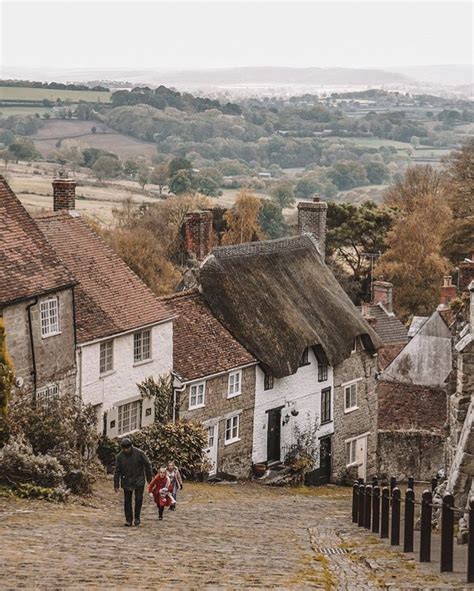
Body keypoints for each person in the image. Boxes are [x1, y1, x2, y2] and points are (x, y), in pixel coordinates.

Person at [114, 437, 152, 527]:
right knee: (127, 501)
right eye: (124, 448)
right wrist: (116, 484)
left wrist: (149, 479)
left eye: (127, 448)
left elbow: (148, 464)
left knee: (138, 499)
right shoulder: (119, 457)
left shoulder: (139, 453)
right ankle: (128, 519)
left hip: (139, 479)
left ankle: (137, 518)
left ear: (131, 446)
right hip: (126, 480)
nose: (126, 450)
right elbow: (117, 471)